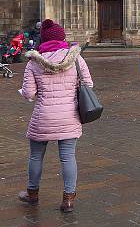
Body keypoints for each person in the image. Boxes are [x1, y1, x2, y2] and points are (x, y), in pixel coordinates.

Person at [18, 19, 94, 213]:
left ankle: (32, 194)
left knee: (36, 156)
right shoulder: (76, 58)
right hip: (69, 115)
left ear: (43, 38)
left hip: (43, 116)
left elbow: (29, 93)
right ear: (62, 37)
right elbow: (89, 85)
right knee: (68, 157)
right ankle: (68, 199)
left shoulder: (33, 61)